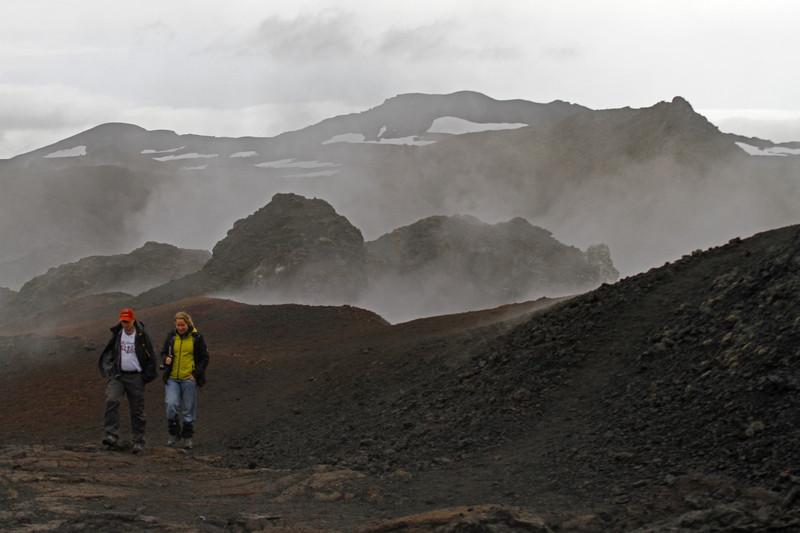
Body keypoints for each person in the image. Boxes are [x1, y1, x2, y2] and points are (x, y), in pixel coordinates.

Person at [97, 308, 158, 453]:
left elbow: (152, 357)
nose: (124, 324)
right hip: (119, 375)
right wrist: (111, 369)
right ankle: (111, 435)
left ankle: (138, 441)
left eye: (126, 321)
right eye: (122, 321)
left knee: (137, 410)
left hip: (136, 377)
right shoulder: (118, 334)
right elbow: (110, 351)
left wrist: (144, 377)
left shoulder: (142, 335)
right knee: (111, 400)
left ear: (133, 320)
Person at [161, 311, 209, 449]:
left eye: (182, 325)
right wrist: (166, 359)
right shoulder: (171, 337)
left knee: (188, 408)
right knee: (171, 404)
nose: (180, 328)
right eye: (178, 325)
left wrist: (196, 374)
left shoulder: (197, 338)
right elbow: (163, 352)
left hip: (188, 378)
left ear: (188, 324)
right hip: (172, 378)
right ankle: (173, 433)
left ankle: (187, 437)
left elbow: (205, 357)